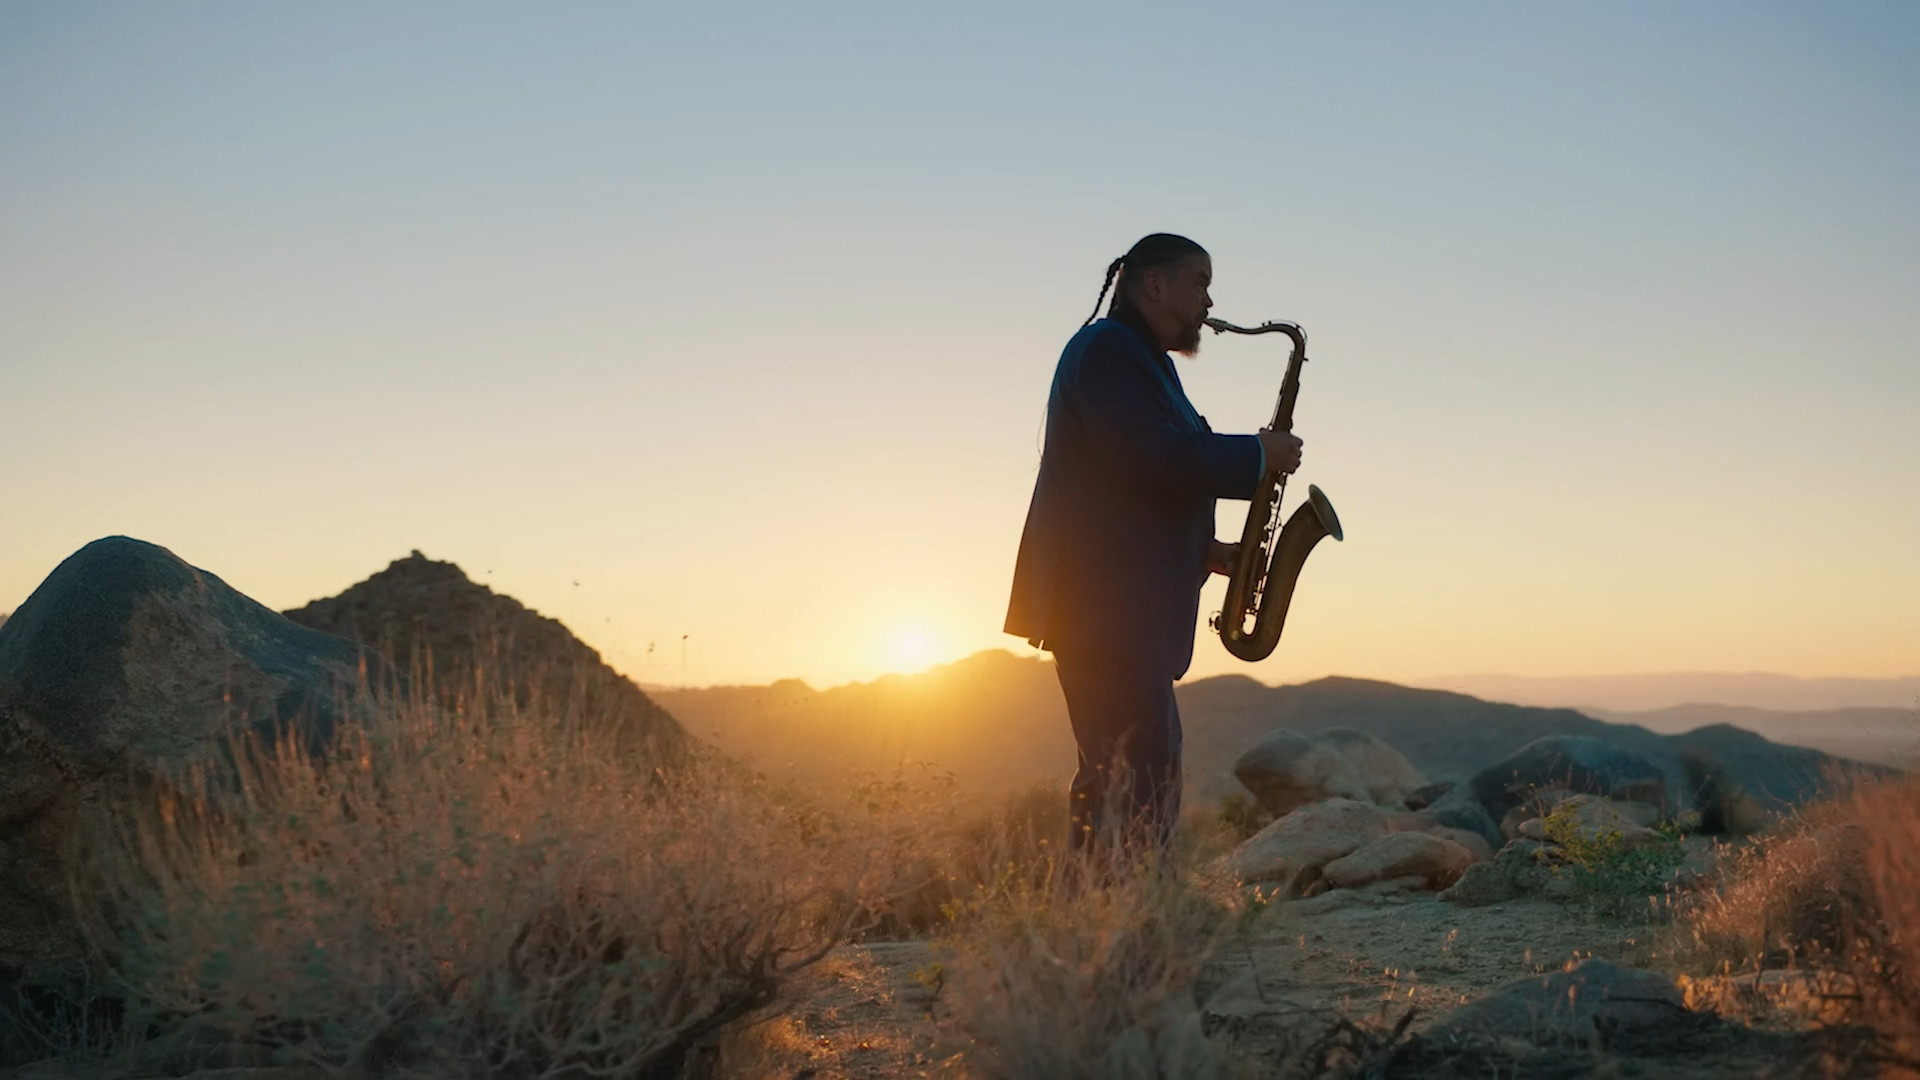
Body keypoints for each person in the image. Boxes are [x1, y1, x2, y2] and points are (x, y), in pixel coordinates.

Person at [1004, 233, 1304, 859]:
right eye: (1200, 282)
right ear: (1155, 284)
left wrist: (1209, 551)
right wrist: (1257, 455)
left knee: (1121, 788)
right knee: (1139, 790)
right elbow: (1156, 457)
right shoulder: (1108, 350)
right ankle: (1129, 913)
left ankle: (1102, 913)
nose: (1209, 301)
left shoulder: (1142, 359)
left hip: (1118, 614)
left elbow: (1131, 489)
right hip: (1107, 613)